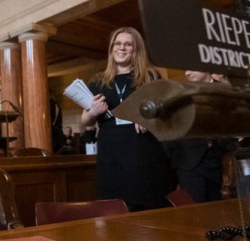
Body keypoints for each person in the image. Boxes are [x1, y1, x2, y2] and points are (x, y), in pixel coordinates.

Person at [81, 27, 176, 211]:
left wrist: (149, 119)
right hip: (112, 153)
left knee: (150, 207)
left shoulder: (151, 77)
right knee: (116, 208)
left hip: (144, 152)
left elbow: (167, 113)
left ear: (136, 49)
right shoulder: (98, 81)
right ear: (111, 48)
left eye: (128, 44)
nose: (121, 48)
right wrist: (93, 111)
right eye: (117, 43)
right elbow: (86, 121)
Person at [164, 71, 234, 202]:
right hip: (189, 162)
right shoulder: (180, 93)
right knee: (197, 210)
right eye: (185, 69)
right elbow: (171, 125)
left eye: (191, 68)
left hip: (219, 157)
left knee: (219, 209)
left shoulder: (227, 90)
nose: (187, 73)